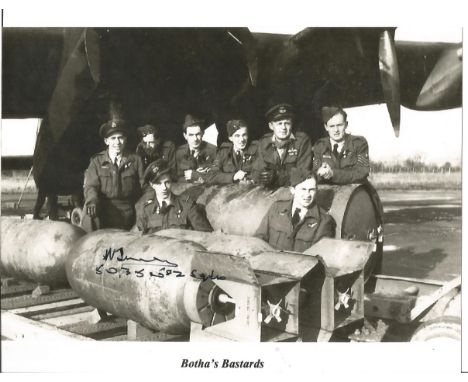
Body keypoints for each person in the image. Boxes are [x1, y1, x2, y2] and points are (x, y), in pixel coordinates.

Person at [82, 119, 144, 232]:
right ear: (106, 141)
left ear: (125, 140)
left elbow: (144, 186)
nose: (117, 142)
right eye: (113, 138)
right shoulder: (97, 161)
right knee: (89, 211)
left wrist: (142, 205)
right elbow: (91, 186)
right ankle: (90, 245)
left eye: (120, 138)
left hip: (129, 209)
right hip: (105, 209)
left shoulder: (136, 160)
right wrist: (92, 200)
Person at [254, 170, 335, 252]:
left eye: (312, 190)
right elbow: (259, 240)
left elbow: (318, 256)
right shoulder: (276, 208)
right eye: (303, 189)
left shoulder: (323, 220)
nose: (307, 195)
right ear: (292, 190)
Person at [136, 159, 213, 234]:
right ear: (152, 185)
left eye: (167, 182)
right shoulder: (146, 210)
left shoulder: (187, 206)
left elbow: (207, 237)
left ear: (171, 181)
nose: (164, 187)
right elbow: (140, 241)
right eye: (159, 184)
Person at [252, 103, 312, 188]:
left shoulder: (302, 141)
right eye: (279, 123)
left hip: (295, 190)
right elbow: (256, 171)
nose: (283, 128)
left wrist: (275, 177)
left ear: (292, 124)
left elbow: (302, 173)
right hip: (269, 192)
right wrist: (261, 177)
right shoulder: (264, 142)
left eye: (287, 123)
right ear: (271, 126)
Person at [313, 106, 370, 184]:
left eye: (339, 125)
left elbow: (362, 172)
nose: (336, 130)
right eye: (332, 126)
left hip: (355, 191)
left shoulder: (358, 143)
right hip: (329, 191)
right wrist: (321, 173)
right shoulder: (319, 146)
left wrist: (333, 173)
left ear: (346, 124)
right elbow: (315, 173)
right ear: (326, 127)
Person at [210, 119, 258, 184]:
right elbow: (212, 176)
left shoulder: (255, 150)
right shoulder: (223, 152)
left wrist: (251, 179)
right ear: (230, 138)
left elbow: (262, 171)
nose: (241, 139)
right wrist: (233, 176)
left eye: (244, 135)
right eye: (237, 136)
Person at [175, 114, 217, 183]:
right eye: (191, 135)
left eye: (198, 134)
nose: (195, 139)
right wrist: (190, 179)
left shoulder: (213, 150)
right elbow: (177, 178)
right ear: (185, 136)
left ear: (203, 133)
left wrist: (195, 175)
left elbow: (216, 176)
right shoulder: (180, 152)